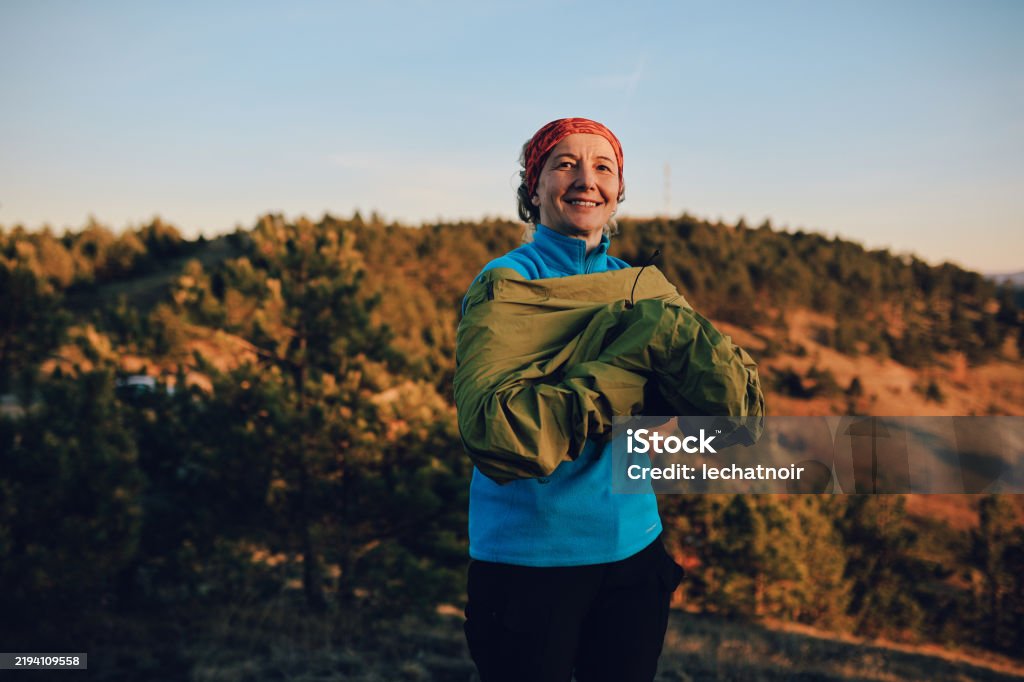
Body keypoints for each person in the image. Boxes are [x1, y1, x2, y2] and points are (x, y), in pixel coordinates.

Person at [456, 118, 762, 682]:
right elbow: (499, 433)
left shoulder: (643, 288)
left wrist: (668, 411)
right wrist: (630, 371)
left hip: (633, 550)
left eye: (603, 167)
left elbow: (728, 416)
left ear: (618, 191)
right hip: (529, 559)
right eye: (564, 164)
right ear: (534, 188)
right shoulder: (505, 285)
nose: (586, 179)